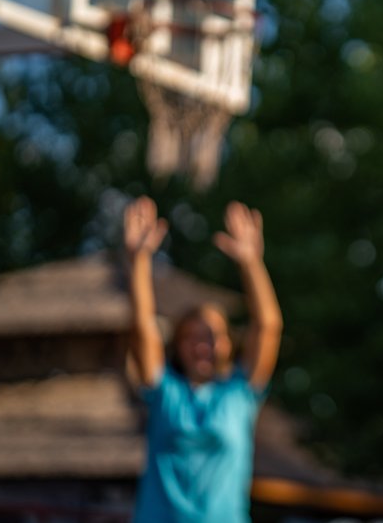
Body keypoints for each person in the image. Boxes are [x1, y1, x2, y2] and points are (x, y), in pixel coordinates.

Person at [123, 196, 283, 523]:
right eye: (192, 338)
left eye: (211, 336)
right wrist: (139, 260)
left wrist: (250, 261)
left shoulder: (240, 393)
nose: (202, 346)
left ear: (227, 344)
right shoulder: (165, 392)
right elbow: (143, 328)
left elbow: (268, 326)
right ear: (178, 346)